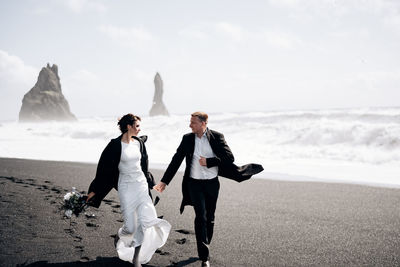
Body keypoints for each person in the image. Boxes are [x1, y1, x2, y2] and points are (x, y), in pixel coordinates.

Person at [154, 111, 263, 267]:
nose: (190, 125)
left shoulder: (217, 137)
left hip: (211, 183)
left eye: (193, 122)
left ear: (203, 123)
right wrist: (164, 181)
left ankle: (205, 245)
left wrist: (209, 161)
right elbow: (176, 160)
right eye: (190, 122)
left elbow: (229, 157)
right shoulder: (187, 139)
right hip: (194, 184)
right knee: (201, 216)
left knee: (210, 218)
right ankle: (205, 256)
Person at [87, 113, 171, 267]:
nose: (139, 129)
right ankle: (120, 237)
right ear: (128, 126)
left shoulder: (139, 143)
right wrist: (94, 191)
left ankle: (136, 259)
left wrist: (152, 184)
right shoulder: (114, 145)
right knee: (131, 227)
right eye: (137, 126)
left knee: (145, 222)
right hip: (125, 187)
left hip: (141, 187)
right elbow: (103, 171)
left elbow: (144, 167)